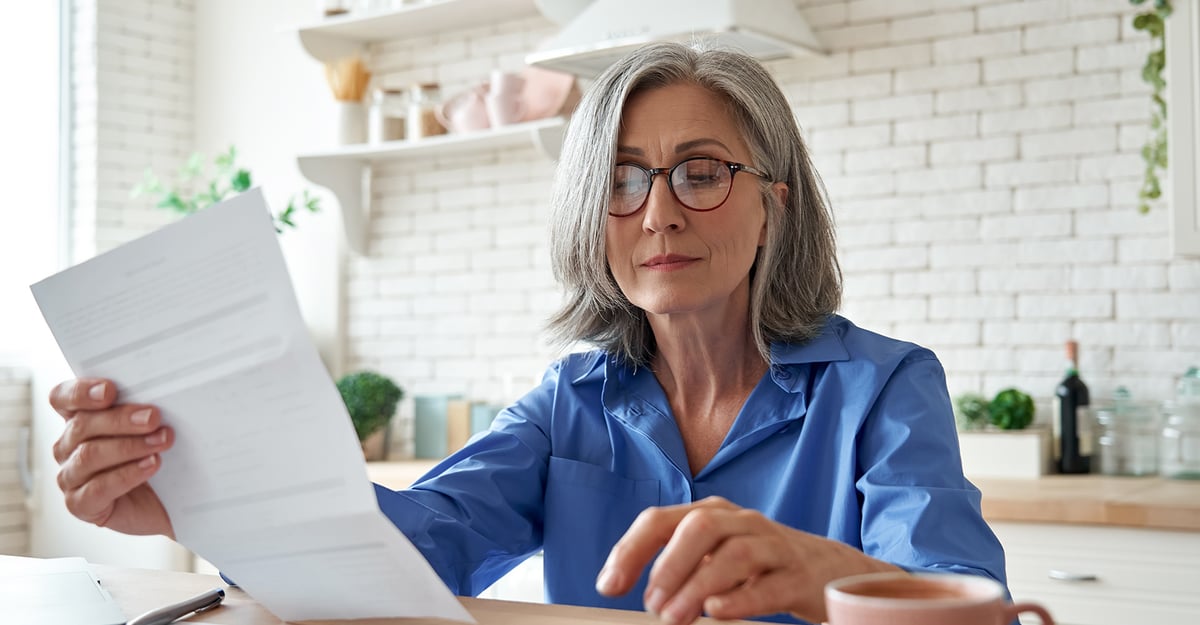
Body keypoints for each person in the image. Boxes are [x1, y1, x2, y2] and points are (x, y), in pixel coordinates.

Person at [48, 42, 1007, 625]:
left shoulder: (883, 388)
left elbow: (969, 603)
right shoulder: (570, 404)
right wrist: (183, 498)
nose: (658, 214)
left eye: (700, 171)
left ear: (773, 209)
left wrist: (816, 574)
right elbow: (409, 548)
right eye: (623, 180)